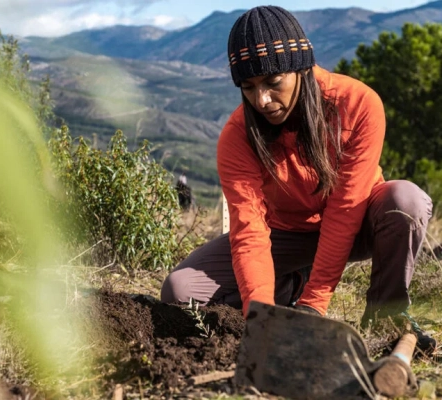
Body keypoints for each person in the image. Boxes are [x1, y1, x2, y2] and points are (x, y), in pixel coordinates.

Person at [161, 6, 436, 354]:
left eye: (273, 83)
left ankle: (386, 317)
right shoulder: (237, 136)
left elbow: (346, 208)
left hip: (359, 224)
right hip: (288, 234)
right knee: (180, 290)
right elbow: (249, 231)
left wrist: (315, 304)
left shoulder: (359, 104)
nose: (261, 100)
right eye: (248, 87)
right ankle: (286, 291)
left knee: (406, 202)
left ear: (302, 68)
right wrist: (260, 319)